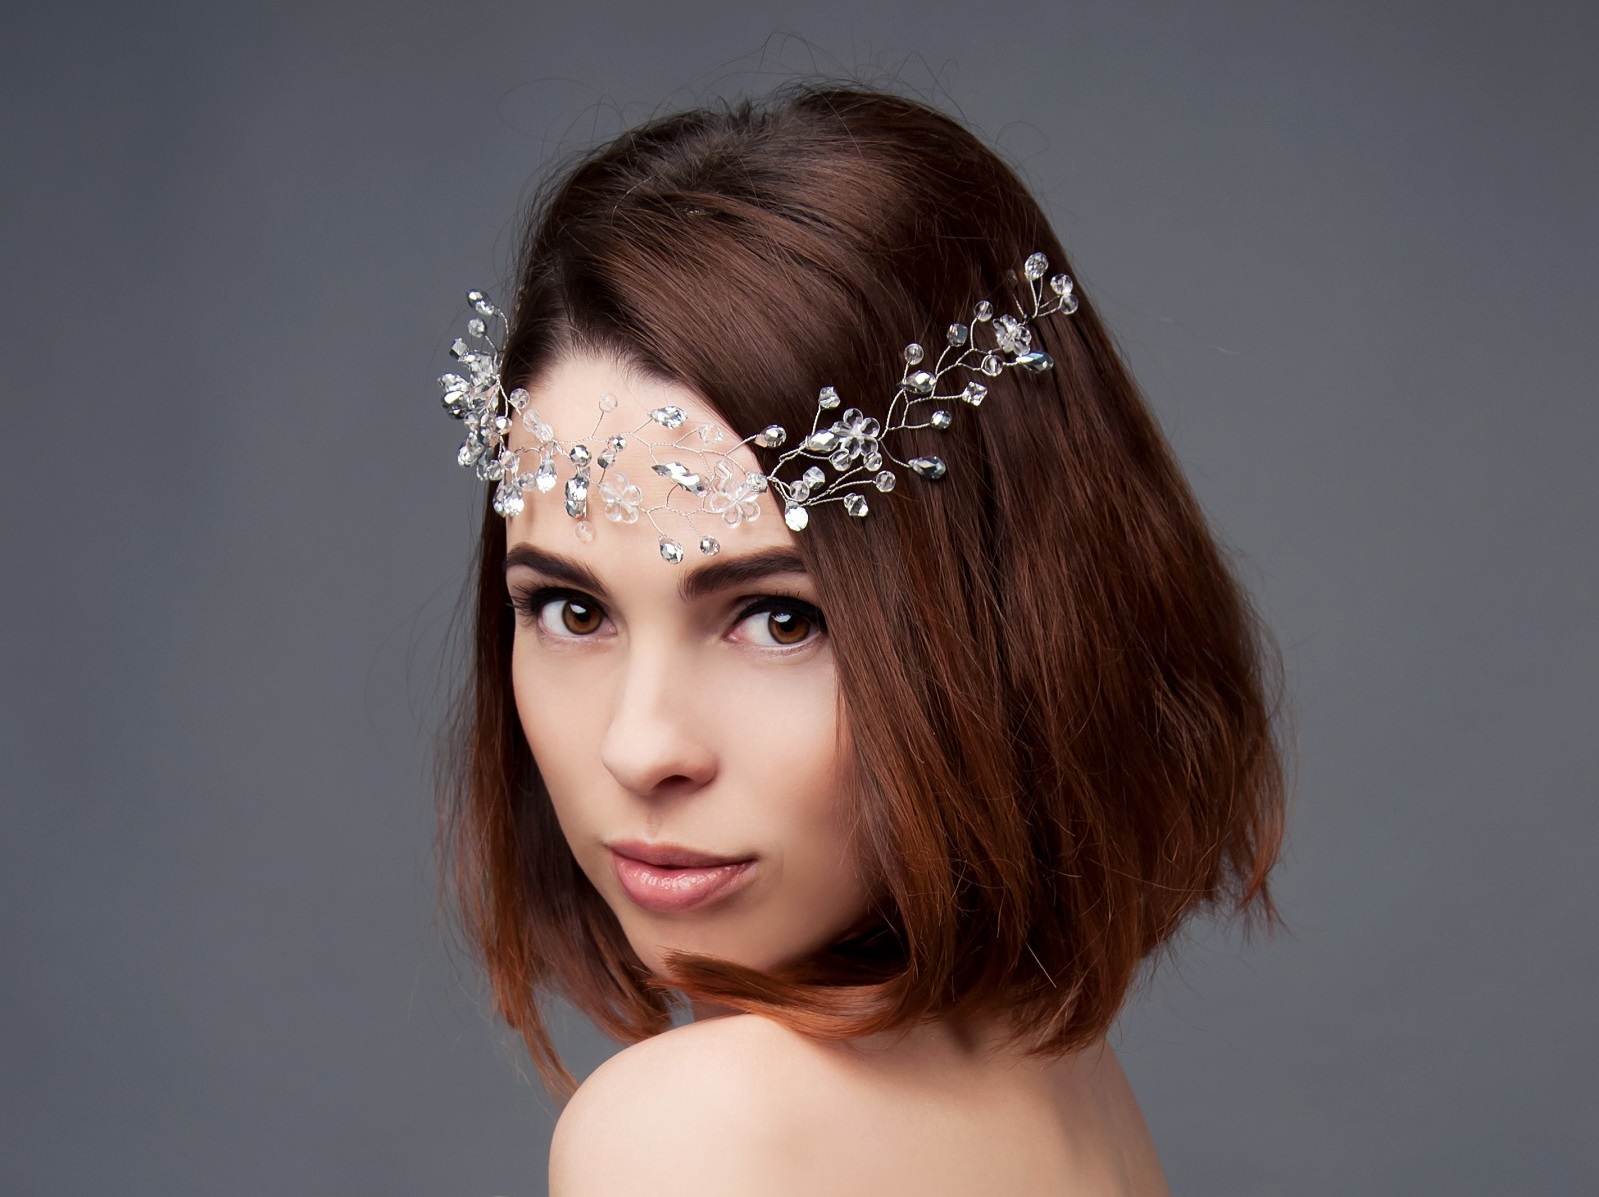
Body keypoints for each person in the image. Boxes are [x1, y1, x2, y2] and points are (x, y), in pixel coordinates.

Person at [436, 84, 1285, 1196]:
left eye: (779, 619)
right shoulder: (1061, 1078)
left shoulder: (696, 1133)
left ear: (1000, 629)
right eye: (572, 611)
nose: (640, 749)